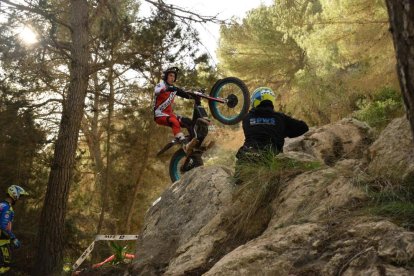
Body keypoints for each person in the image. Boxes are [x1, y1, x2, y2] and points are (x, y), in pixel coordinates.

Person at [236, 87, 309, 170]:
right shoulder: (281, 118)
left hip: (248, 157)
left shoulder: (246, 118)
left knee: (238, 180)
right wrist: (283, 132)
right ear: (271, 100)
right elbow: (304, 127)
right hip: (272, 160)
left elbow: (259, 130)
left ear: (255, 100)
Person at [154, 67, 198, 153]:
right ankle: (184, 143)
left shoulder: (174, 89)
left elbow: (184, 94)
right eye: (170, 76)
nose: (172, 78)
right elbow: (156, 91)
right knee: (174, 121)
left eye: (174, 76)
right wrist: (165, 89)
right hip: (159, 115)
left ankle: (193, 142)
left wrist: (194, 95)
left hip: (169, 114)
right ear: (166, 76)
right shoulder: (161, 84)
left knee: (188, 121)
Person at [0, 185, 28, 274]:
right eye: (20, 196)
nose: (19, 199)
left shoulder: (2, 204)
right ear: (15, 194)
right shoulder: (7, 208)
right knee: (6, 266)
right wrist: (13, 238)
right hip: (2, 241)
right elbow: (4, 226)